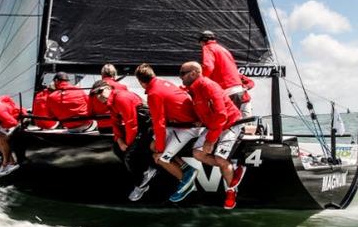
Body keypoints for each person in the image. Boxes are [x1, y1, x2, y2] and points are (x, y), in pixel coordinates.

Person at [179, 62, 246, 209]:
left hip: (230, 124)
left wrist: (210, 140)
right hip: (214, 126)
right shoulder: (193, 89)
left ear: (194, 73)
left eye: (182, 73)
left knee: (220, 158)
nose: (180, 77)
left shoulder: (209, 86)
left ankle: (231, 190)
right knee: (197, 153)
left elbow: (221, 116)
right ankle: (233, 169)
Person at [135, 63, 203, 203]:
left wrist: (161, 150)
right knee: (153, 147)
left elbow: (159, 124)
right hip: (179, 124)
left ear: (141, 82)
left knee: (160, 158)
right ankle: (186, 168)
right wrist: (158, 147)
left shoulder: (153, 93)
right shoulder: (162, 82)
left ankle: (186, 182)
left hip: (187, 128)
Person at [91, 81, 157, 201]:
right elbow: (115, 123)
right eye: (95, 94)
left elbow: (131, 124)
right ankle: (143, 173)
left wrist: (128, 144)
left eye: (100, 91)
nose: (98, 96)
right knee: (117, 148)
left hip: (148, 125)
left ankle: (142, 181)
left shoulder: (121, 98)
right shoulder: (111, 102)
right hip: (139, 126)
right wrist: (120, 140)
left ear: (108, 88)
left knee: (130, 155)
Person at [199, 30, 248, 110]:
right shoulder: (223, 49)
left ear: (202, 42)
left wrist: (201, 82)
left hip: (226, 89)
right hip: (237, 89)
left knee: (223, 120)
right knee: (234, 119)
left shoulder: (207, 47)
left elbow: (208, 67)